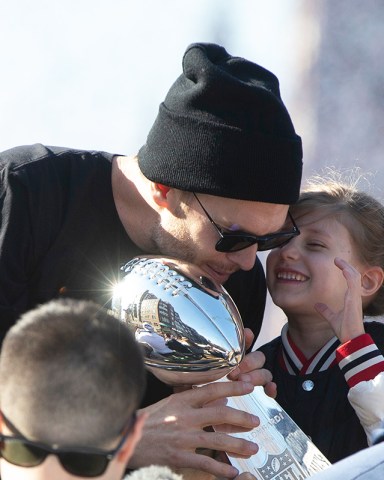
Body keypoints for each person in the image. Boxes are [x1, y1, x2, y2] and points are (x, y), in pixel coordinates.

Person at [0, 42, 303, 477]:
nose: (248, 260)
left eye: (272, 237)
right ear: (164, 190)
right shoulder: (25, 198)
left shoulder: (236, 277)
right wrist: (125, 442)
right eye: (233, 236)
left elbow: (192, 450)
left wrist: (229, 418)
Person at [258, 172, 384, 464]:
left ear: (367, 281)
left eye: (314, 245)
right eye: (281, 239)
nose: (287, 252)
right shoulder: (256, 370)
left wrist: (356, 349)